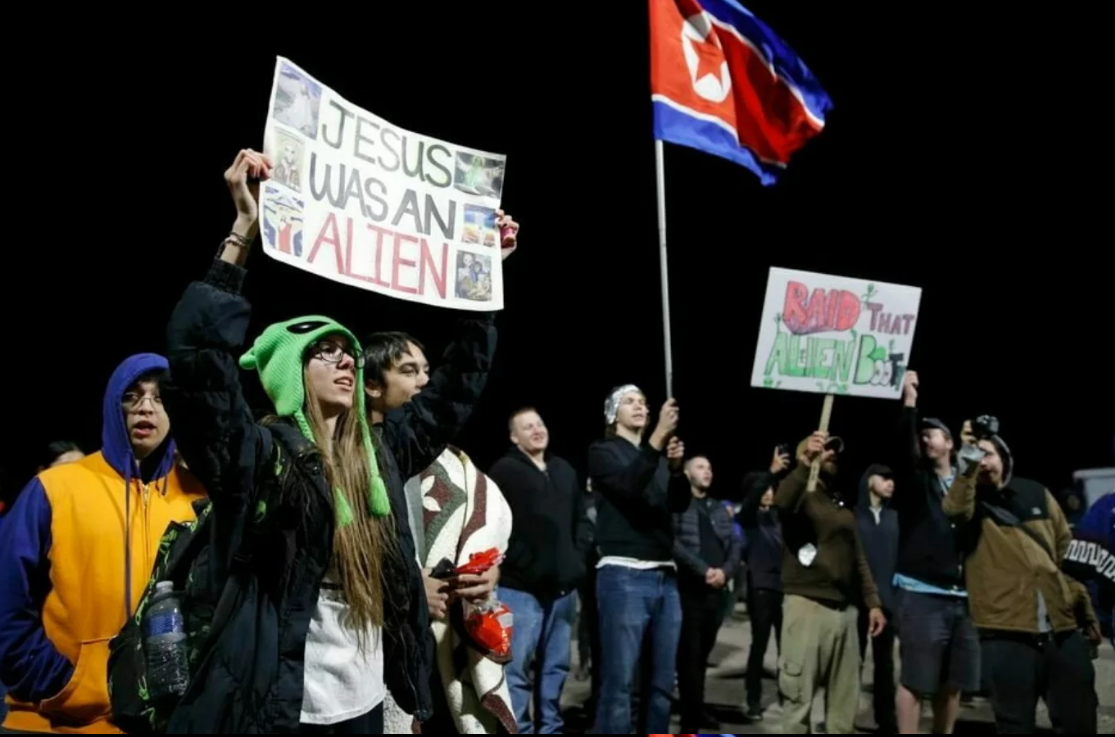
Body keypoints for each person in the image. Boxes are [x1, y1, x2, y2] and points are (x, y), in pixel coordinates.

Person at [159, 149, 430, 733]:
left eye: (348, 352)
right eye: (323, 352)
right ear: (290, 375)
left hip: (366, 697)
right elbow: (200, 369)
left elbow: (451, 397)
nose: (345, 360)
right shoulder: (263, 456)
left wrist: (483, 286)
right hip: (287, 704)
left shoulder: (376, 455)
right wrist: (242, 231)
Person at [0, 354, 206, 733]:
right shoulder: (54, 489)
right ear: (114, 404)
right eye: (132, 396)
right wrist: (55, 681)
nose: (146, 407)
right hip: (55, 721)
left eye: (160, 397)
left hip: (167, 722)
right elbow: (7, 595)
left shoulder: (199, 499)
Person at [943, 423, 1100, 733]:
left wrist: (1080, 608)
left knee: (1080, 718)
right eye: (975, 455)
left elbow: (1064, 551)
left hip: (1061, 628)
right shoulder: (968, 502)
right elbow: (954, 510)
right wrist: (968, 460)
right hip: (1006, 633)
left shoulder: (1035, 492)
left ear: (1004, 457)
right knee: (1014, 723)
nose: (982, 462)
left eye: (987, 454)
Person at [588, 385, 690, 734]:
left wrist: (675, 470)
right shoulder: (603, 451)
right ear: (612, 413)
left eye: (644, 402)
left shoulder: (655, 457)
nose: (640, 407)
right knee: (620, 684)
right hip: (624, 574)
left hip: (665, 575)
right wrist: (659, 437)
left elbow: (678, 504)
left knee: (662, 685)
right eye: (629, 401)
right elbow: (629, 487)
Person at [774, 431, 885, 735]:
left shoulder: (839, 503)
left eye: (835, 450)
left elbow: (858, 556)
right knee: (798, 702)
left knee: (843, 707)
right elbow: (781, 503)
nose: (832, 454)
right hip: (807, 606)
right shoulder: (799, 495)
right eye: (824, 449)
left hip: (844, 611)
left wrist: (873, 602)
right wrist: (804, 464)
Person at [487, 407, 589, 734]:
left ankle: (550, 729)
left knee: (556, 668)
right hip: (520, 590)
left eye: (539, 424)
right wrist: (524, 563)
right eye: (527, 427)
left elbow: (581, 520)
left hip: (562, 591)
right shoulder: (504, 471)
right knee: (516, 670)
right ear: (514, 437)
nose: (536, 430)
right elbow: (495, 525)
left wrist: (576, 560)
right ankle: (519, 730)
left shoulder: (564, 470)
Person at [891, 372, 980, 734]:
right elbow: (903, 449)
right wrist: (909, 403)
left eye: (933, 434)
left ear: (951, 443)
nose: (926, 439)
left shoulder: (969, 482)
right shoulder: (918, 482)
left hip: (964, 597)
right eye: (922, 435)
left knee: (953, 682)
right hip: (921, 593)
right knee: (915, 681)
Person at [672, 455, 740, 732]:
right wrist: (704, 571)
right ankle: (689, 722)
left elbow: (735, 544)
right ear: (687, 474)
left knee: (701, 657)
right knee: (689, 657)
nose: (707, 471)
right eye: (700, 467)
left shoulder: (718, 508)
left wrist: (725, 572)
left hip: (716, 591)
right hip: (690, 590)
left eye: (710, 467)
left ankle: (695, 709)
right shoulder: (678, 505)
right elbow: (674, 543)